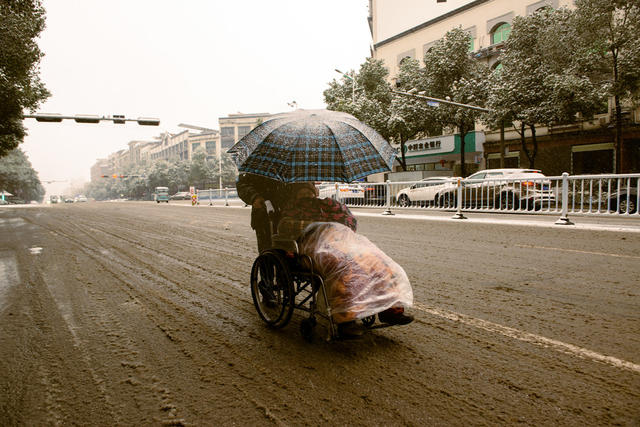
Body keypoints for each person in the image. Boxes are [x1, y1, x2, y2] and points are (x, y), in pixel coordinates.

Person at [278, 183, 414, 338]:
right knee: (342, 266)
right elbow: (284, 227)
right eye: (301, 191)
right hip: (313, 247)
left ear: (314, 192)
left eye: (308, 191)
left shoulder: (327, 204)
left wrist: (332, 224)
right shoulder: (292, 209)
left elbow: (350, 221)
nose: (306, 195)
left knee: (377, 262)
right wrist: (316, 225)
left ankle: (390, 309)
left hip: (343, 240)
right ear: (295, 194)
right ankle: (345, 319)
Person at [236, 172, 287, 253]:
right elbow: (242, 185)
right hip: (264, 216)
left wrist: (307, 190)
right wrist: (254, 197)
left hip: (291, 215)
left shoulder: (293, 164)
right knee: (268, 252)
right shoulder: (254, 166)